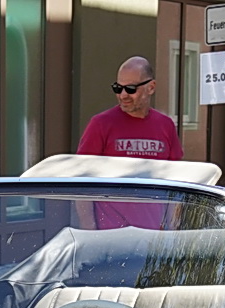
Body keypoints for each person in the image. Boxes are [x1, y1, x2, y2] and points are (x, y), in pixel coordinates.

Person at [75, 57, 183, 229]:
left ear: (151, 87)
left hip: (153, 238)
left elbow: (175, 184)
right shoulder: (100, 124)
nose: (123, 95)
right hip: (109, 236)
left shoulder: (165, 126)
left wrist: (172, 232)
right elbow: (82, 182)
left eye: (130, 89)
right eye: (118, 88)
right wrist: (90, 231)